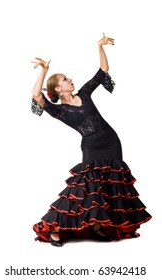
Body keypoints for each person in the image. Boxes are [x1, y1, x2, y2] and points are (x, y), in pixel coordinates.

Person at [31, 34, 151, 247]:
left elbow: (102, 70)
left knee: (108, 184)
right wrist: (44, 71)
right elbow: (37, 96)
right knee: (84, 186)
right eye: (65, 79)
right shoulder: (58, 110)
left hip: (111, 141)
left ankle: (97, 225)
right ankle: (56, 227)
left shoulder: (84, 94)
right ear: (58, 89)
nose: (70, 79)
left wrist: (99, 46)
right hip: (91, 146)